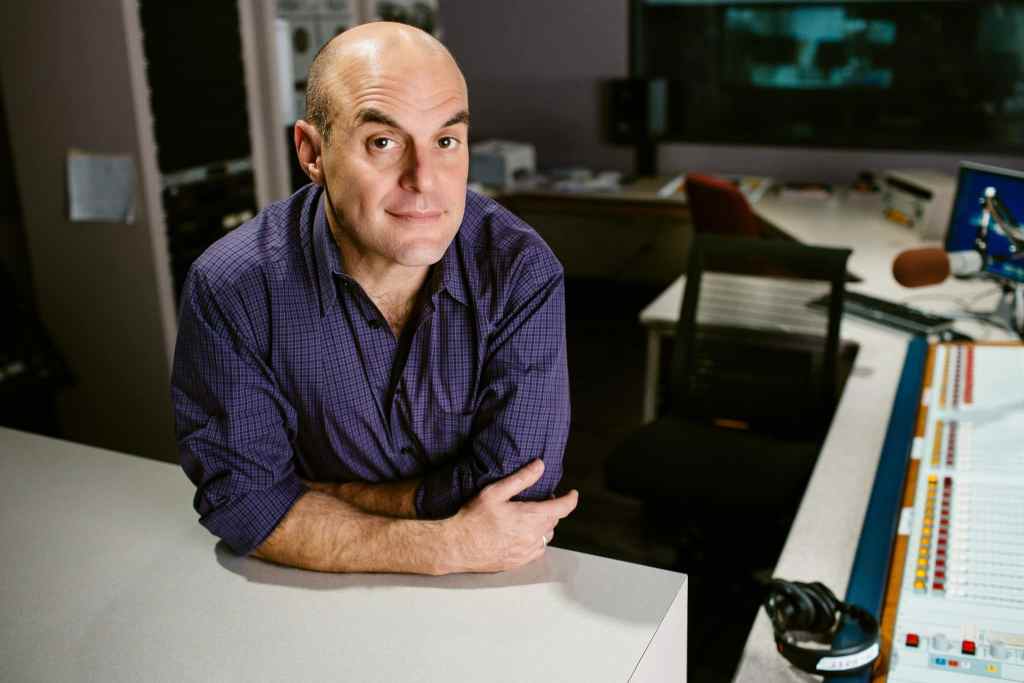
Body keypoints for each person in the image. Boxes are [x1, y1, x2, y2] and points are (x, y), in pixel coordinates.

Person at [171, 22, 578, 575]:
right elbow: (244, 504)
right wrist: (446, 544)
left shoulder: (519, 270)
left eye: (446, 141)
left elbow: (519, 489)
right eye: (383, 142)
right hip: (304, 597)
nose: (424, 180)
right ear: (313, 153)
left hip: (490, 594)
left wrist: (333, 498)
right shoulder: (232, 289)